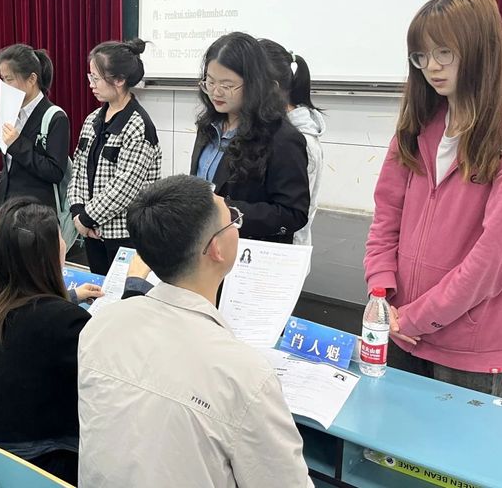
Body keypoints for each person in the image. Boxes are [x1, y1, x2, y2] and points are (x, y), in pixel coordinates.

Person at [78, 175, 310, 487]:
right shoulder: (246, 375)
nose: (237, 225)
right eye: (233, 219)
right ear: (216, 248)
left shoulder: (99, 327)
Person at [365, 0, 502, 397]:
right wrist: (381, 294)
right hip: (399, 328)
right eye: (421, 56)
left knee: (456, 442)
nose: (431, 67)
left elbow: (494, 258)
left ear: (479, 47)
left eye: (444, 53)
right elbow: (386, 217)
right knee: (386, 435)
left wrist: (416, 318)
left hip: (468, 343)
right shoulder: (417, 124)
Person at [0, 198, 92, 485]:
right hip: (32, 462)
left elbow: (24, 307)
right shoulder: (67, 323)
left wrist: (72, 296)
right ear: (48, 253)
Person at [191, 32, 309, 244]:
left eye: (227, 85)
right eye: (210, 82)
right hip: (204, 245)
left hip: (246, 251)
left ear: (254, 84)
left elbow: (293, 214)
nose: (216, 92)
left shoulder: (282, 138)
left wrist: (227, 211)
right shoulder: (209, 127)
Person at [68, 38, 162, 275]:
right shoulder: (92, 119)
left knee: (124, 294)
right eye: (90, 77)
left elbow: (124, 187)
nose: (91, 84)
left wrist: (87, 217)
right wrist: (78, 211)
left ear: (119, 80)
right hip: (91, 230)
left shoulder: (138, 125)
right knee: (97, 290)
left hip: (124, 235)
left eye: (96, 78)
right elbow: (78, 169)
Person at [260, 39, 325, 246]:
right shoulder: (268, 129)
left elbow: (294, 214)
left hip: (284, 250)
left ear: (271, 87)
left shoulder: (299, 141)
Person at [0, 44, 70, 214]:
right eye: (3, 79)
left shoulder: (55, 117)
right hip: (6, 206)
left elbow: (55, 172)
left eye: (9, 79)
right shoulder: (10, 112)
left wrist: (17, 144)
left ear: (32, 79)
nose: (5, 86)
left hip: (37, 212)